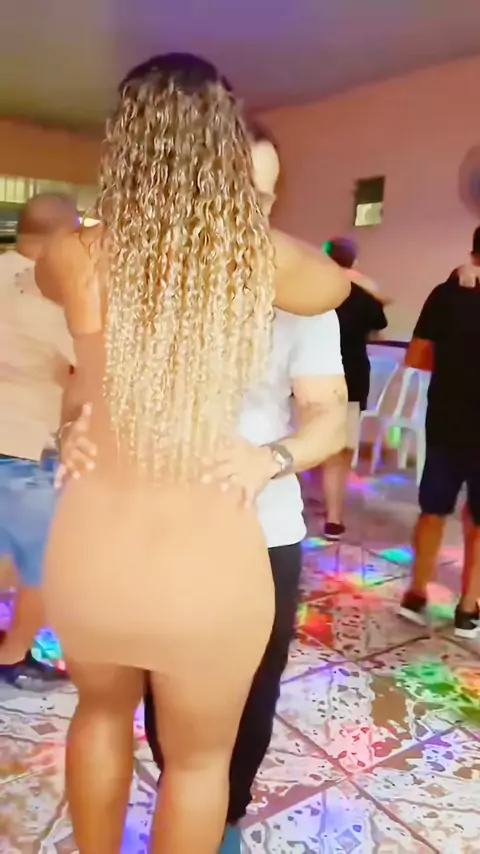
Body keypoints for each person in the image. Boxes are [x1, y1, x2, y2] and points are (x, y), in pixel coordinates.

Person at [38, 54, 350, 854]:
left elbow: (51, 284)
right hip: (206, 557)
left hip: (93, 544)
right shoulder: (256, 260)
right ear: (223, 146)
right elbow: (335, 286)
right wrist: (222, 213)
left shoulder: (75, 253)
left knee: (97, 716)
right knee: (201, 763)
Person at [0, 193, 78, 686]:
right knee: (43, 570)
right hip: (29, 449)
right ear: (62, 236)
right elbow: (88, 367)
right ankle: (13, 659)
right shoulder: (48, 294)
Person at [399, 226, 480, 639]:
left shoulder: (445, 294)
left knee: (433, 510)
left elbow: (415, 356)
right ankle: (468, 609)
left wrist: (454, 366)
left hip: (448, 420)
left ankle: (416, 595)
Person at [321, 237, 388, 540]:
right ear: (354, 262)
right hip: (351, 379)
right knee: (341, 450)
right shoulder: (362, 295)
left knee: (303, 442)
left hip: (312, 377)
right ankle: (333, 517)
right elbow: (379, 324)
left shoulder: (311, 291)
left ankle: (295, 504)